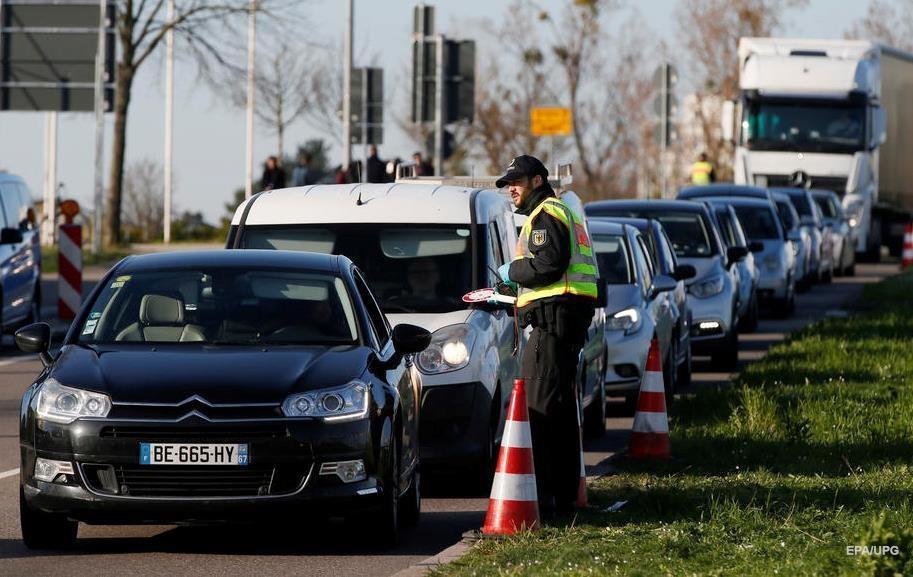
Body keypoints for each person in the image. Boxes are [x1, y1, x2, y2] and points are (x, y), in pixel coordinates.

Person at [494, 154, 599, 515]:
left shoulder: (546, 214)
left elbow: (548, 264)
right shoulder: (562, 211)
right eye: (509, 184)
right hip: (563, 320)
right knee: (561, 412)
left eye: (517, 183)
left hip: (553, 324)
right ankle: (564, 497)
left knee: (538, 409)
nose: (511, 190)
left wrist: (513, 271)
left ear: (537, 181)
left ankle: (542, 501)